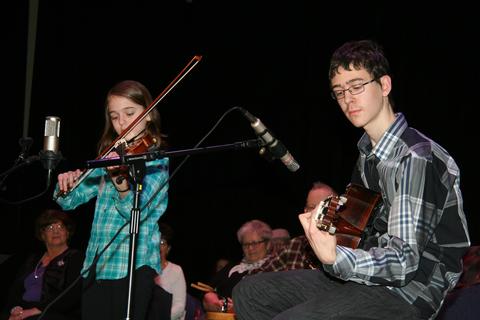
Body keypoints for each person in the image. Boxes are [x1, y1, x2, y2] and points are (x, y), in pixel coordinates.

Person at [233, 39, 470, 320]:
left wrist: (335, 257)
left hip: (408, 292)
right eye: (340, 91)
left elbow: (404, 262)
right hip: (365, 282)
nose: (348, 98)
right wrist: (326, 229)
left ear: (384, 86)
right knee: (248, 292)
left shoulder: (416, 157)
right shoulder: (367, 155)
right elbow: (356, 233)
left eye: (356, 86)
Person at [54, 80, 169, 319]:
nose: (122, 123)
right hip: (98, 264)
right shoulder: (112, 154)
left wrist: (119, 179)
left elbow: (136, 212)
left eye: (130, 113)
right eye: (115, 117)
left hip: (133, 265)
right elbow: (70, 201)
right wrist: (67, 184)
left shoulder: (156, 160)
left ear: (148, 114)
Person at [1, 209, 84, 320]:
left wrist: (35, 310)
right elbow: (14, 290)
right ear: (42, 235)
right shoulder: (32, 259)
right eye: (50, 228)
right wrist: (15, 309)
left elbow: (71, 296)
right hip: (23, 310)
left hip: (53, 313)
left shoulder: (76, 257)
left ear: (67, 232)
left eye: (60, 227)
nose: (55, 231)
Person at [201, 219, 274, 313]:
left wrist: (240, 308)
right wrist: (210, 297)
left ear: (267, 244)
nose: (250, 248)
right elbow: (207, 288)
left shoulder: (272, 268)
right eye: (246, 244)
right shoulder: (233, 267)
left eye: (255, 243)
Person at [152, 223, 187, 320]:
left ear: (168, 249)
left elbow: (179, 307)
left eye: (162, 243)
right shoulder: (144, 270)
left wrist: (160, 317)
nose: (158, 247)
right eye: (156, 242)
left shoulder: (176, 271)